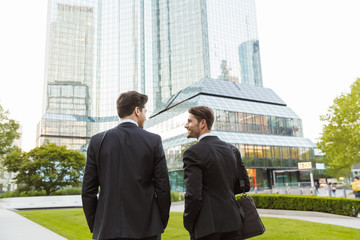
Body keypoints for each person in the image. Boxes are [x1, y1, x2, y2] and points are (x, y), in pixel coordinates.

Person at [82, 91, 171, 240]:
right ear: (137, 110)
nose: (145, 116)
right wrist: (160, 222)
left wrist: (96, 224)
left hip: (107, 229)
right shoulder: (153, 140)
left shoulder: (97, 141)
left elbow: (88, 191)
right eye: (145, 111)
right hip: (146, 230)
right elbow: (163, 188)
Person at [182, 106, 250, 240]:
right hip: (234, 223)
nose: (186, 125)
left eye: (189, 121)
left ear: (202, 123)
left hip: (207, 227)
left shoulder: (192, 153)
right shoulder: (232, 149)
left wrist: (188, 222)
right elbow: (245, 185)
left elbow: (193, 196)